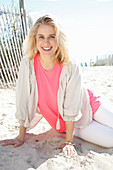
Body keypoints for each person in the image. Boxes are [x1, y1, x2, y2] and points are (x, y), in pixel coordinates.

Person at [1, 15, 113, 156]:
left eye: (52, 36)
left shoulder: (70, 65)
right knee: (110, 140)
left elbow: (72, 105)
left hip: (89, 104)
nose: (46, 42)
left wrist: (68, 142)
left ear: (58, 39)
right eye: (41, 36)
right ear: (35, 39)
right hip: (70, 123)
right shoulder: (28, 64)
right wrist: (20, 137)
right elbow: (23, 99)